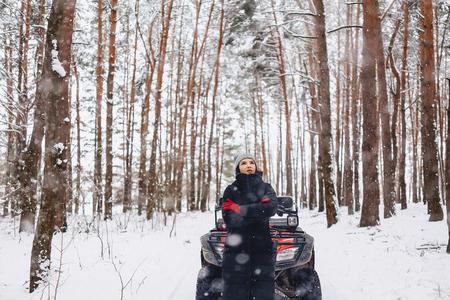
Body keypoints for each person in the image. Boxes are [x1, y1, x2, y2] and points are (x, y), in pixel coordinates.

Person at [221, 153, 278, 300]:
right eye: (244, 163)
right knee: (235, 292)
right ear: (238, 168)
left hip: (262, 247)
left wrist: (241, 209)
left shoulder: (266, 188)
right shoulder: (230, 189)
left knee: (263, 291)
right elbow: (229, 218)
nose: (248, 165)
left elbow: (270, 208)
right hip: (235, 248)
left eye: (251, 162)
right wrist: (257, 210)